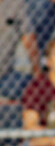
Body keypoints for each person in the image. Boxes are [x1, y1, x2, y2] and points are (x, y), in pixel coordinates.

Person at [0, 0, 41, 128]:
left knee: (26, 87)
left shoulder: (14, 3)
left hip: (5, 75)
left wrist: (37, 73)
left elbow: (28, 38)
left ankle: (15, 142)